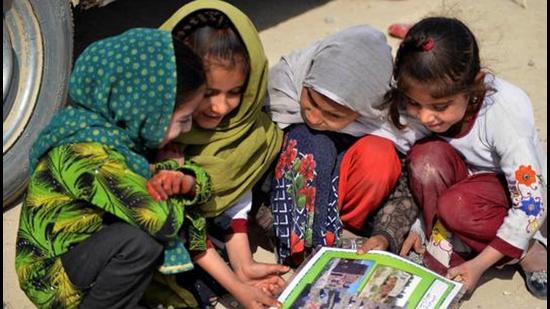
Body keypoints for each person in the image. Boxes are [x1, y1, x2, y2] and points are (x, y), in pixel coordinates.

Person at [15, 28, 213, 308]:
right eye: (183, 120)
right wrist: (173, 170)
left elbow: (192, 190)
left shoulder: (113, 133)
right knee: (140, 243)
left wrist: (187, 180)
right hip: (51, 278)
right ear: (145, 110)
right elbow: (162, 221)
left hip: (85, 252)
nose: (188, 129)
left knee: (136, 238)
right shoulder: (87, 154)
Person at [389, 17, 547, 298]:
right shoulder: (422, 101)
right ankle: (447, 247)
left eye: (440, 106)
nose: (426, 117)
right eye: (415, 103)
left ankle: (530, 251)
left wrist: (479, 265)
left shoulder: (502, 112)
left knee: (457, 206)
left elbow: (532, 204)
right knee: (424, 159)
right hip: (464, 189)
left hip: (515, 197)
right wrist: (419, 227)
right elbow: (414, 173)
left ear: (473, 85)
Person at [155, 0, 288, 307]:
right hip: (168, 233)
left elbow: (236, 200)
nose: (221, 107)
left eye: (235, 92)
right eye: (209, 93)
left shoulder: (244, 127)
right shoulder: (161, 133)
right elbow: (179, 224)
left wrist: (242, 265)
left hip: (206, 236)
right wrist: (238, 285)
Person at [265, 25, 429, 266]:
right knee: (308, 141)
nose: (314, 117)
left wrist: (385, 233)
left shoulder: (391, 118)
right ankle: (299, 238)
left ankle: (344, 229)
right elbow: (257, 176)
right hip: (285, 204)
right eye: (310, 101)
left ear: (363, 111)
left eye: (333, 115)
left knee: (380, 156)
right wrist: (273, 223)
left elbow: (406, 187)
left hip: (352, 195)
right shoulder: (287, 84)